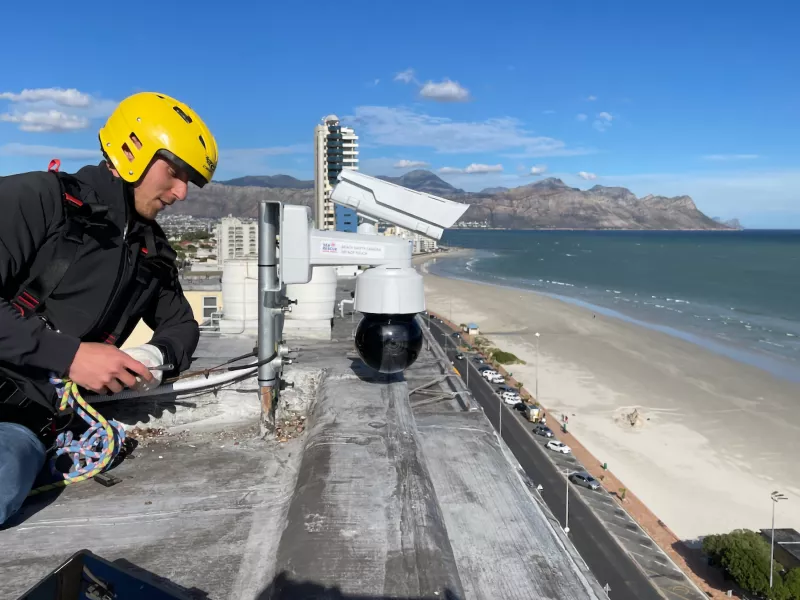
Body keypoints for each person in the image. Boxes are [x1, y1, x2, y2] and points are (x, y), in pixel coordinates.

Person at [0, 91, 219, 525]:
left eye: (188, 180)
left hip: (26, 426)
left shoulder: (151, 253)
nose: (180, 192)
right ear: (131, 150)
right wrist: (70, 356)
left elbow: (181, 326)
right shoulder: (36, 200)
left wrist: (154, 358)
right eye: (174, 172)